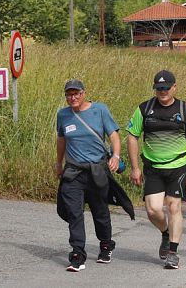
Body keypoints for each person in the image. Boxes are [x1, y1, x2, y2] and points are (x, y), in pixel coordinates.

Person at [127, 70, 186, 270]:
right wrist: (135, 168)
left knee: (173, 206)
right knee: (152, 209)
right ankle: (166, 233)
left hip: (178, 166)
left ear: (174, 87)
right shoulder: (144, 109)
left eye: (166, 88)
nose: (162, 92)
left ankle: (173, 253)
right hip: (153, 167)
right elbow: (132, 136)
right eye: (159, 88)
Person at [56, 80, 123, 272]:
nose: (73, 98)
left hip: (96, 170)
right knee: (74, 213)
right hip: (73, 171)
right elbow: (61, 140)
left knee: (100, 211)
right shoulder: (63, 115)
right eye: (69, 94)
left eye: (76, 93)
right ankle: (77, 254)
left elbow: (114, 136)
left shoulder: (100, 110)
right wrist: (58, 163)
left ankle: (106, 245)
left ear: (84, 93)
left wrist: (116, 156)